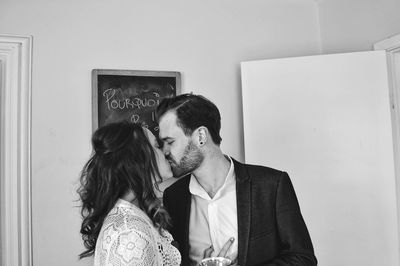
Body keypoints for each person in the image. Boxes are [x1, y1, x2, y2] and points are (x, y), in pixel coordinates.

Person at [156, 93, 317, 266]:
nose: (164, 151)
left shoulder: (271, 186)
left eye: (170, 142)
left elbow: (303, 259)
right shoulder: (174, 196)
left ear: (201, 136)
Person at [77, 121, 181, 266]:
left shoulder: (131, 216)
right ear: (137, 159)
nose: (165, 151)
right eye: (157, 146)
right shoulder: (129, 233)